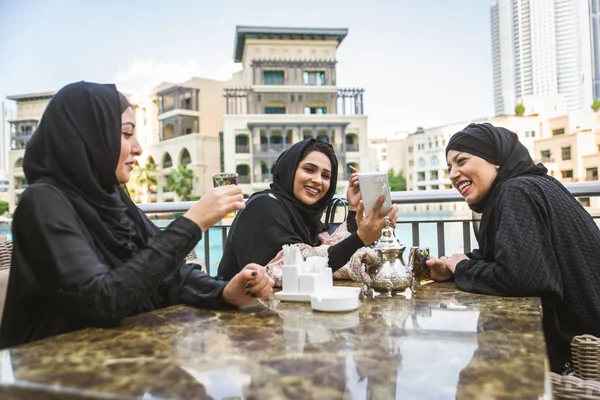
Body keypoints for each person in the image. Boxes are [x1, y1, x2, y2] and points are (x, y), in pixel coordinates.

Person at [0, 81, 273, 348]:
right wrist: (193, 222)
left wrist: (224, 292)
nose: (139, 148)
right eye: (126, 133)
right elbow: (103, 300)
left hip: (124, 357)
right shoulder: (43, 201)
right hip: (51, 371)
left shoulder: (114, 197)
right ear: (89, 137)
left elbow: (168, 275)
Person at [425, 122, 600, 373]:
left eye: (461, 161)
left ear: (495, 160)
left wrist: (463, 268)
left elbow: (523, 278)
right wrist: (453, 268)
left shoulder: (518, 191)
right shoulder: (533, 185)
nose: (452, 174)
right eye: (449, 167)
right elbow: (520, 255)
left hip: (580, 356)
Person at [217, 138, 397, 284]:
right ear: (290, 170)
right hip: (242, 318)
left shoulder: (306, 217)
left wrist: (353, 209)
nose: (318, 180)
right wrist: (361, 238)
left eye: (326, 176)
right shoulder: (263, 207)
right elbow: (302, 265)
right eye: (309, 170)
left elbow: (331, 252)